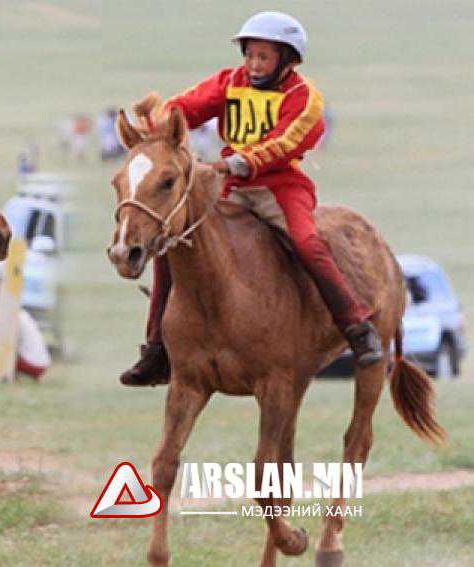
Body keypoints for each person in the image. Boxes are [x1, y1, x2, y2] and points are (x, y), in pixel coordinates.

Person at [121, 11, 383, 386]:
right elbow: (189, 107)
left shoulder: (303, 97)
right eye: (250, 55)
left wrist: (238, 162)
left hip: (279, 184)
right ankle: (156, 348)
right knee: (171, 239)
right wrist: (154, 124)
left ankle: (355, 326)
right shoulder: (231, 82)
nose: (254, 65)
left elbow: (287, 142)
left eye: (264, 57)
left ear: (286, 60)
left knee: (307, 243)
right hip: (231, 185)